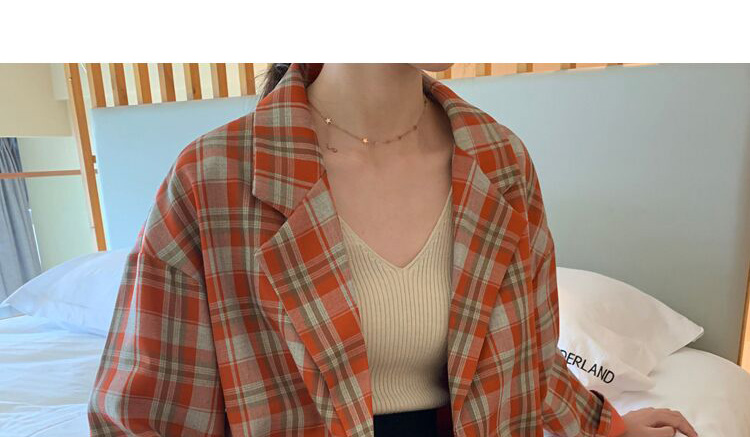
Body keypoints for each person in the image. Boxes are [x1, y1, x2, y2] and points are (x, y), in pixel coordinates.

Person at [87, 63, 698, 436]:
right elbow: (145, 415)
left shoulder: (501, 164)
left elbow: (528, 365)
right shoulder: (212, 181)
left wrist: (606, 427)